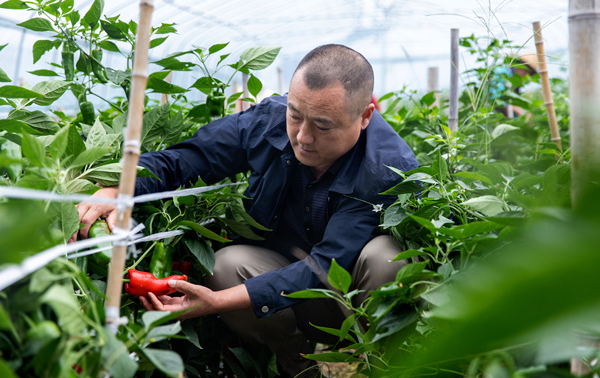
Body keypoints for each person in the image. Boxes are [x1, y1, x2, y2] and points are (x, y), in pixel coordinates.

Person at [74, 44, 419, 377]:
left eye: (323, 125)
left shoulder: (385, 167)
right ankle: (300, 370)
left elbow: (325, 266)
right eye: (295, 115)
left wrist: (216, 302)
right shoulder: (266, 122)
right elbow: (190, 158)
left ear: (364, 117)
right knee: (226, 264)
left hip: (349, 294)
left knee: (385, 257)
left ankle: (390, 364)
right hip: (288, 282)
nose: (302, 137)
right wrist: (120, 188)